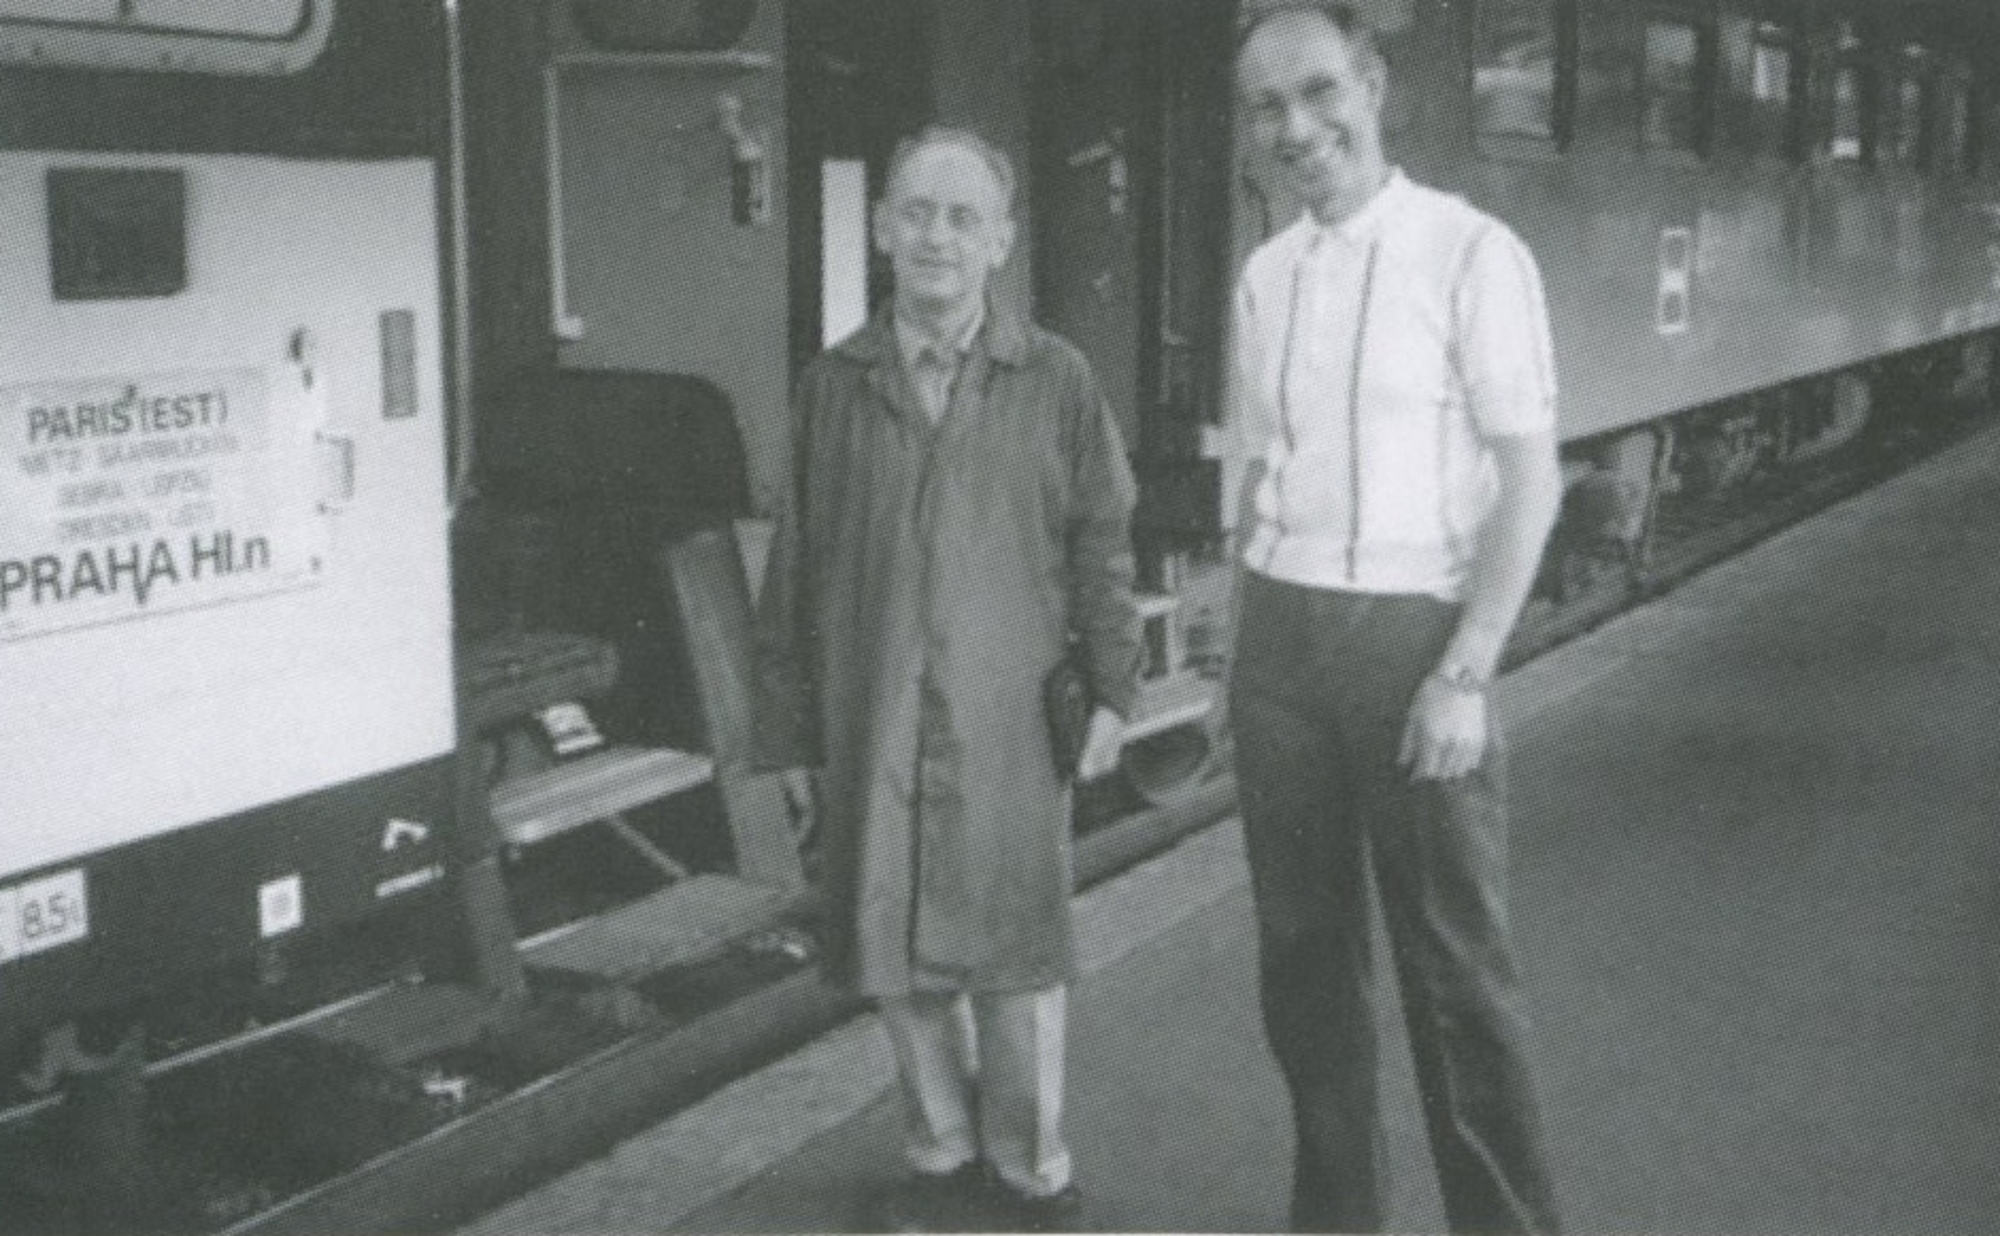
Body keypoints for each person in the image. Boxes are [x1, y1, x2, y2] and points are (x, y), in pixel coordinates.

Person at [754, 124, 1139, 1233]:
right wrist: (789, 736)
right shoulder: (834, 385)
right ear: (880, 227)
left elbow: (1103, 544)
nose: (937, 237)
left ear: (1001, 241)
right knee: (893, 939)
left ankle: (1029, 1171)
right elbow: (795, 566)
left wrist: (1114, 691)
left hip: (1008, 711)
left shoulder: (1055, 379)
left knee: (1016, 954)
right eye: (916, 212)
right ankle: (939, 1151)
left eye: (963, 217)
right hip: (873, 706)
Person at [1227, 5, 1566, 1233]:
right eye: (1266, 108)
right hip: (1279, 641)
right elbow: (1260, 472)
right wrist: (1235, 646)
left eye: (1318, 91)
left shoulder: (1471, 253)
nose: (1295, 128)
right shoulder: (1264, 276)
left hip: (1410, 640)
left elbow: (1529, 476)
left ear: (1371, 86)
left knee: (1453, 976)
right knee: (1303, 964)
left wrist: (1465, 669)